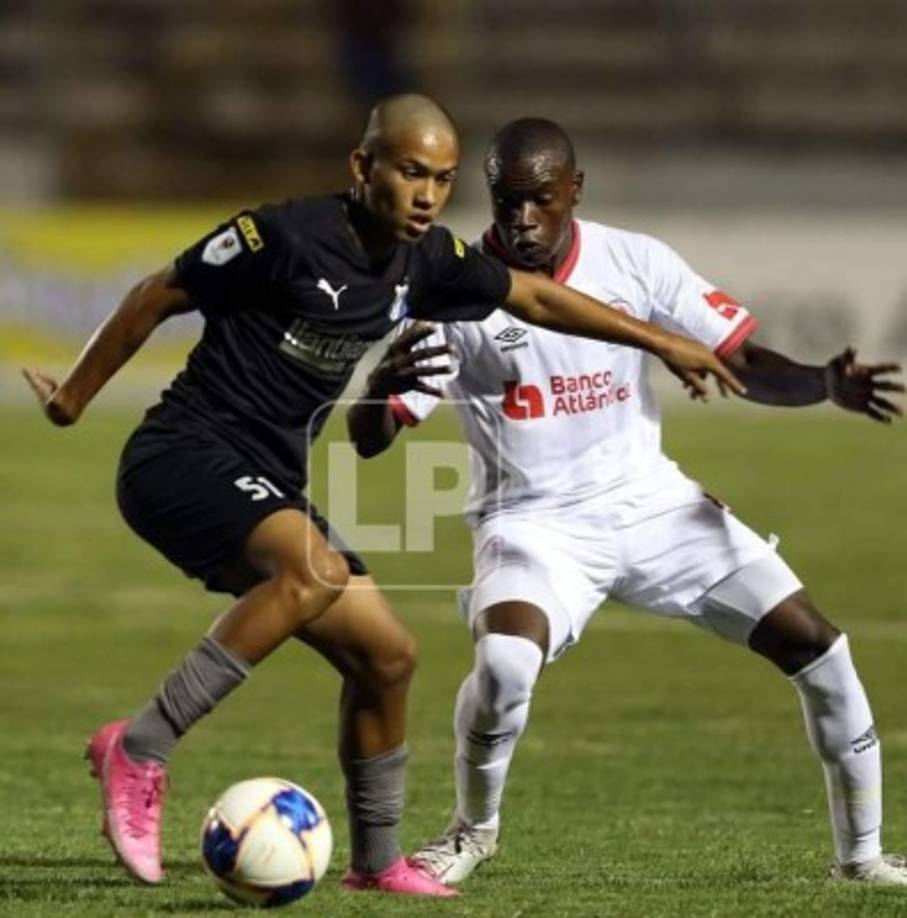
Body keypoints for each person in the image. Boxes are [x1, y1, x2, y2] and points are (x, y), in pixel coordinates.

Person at [21, 96, 739, 898]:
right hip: (182, 455)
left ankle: (375, 863)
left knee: (387, 655)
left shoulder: (427, 261)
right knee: (313, 574)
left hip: (267, 478)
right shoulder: (281, 235)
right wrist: (75, 398)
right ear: (362, 168)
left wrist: (662, 338)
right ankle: (142, 746)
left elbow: (532, 297)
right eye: (409, 173)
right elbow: (160, 291)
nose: (427, 194)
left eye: (440, 178)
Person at [347, 117, 906, 887]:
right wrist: (377, 391)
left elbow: (738, 358)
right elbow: (370, 438)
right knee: (505, 664)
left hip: (653, 509)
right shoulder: (456, 295)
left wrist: (820, 383)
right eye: (506, 202)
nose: (520, 220)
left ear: (575, 190)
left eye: (539, 200)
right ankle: (472, 831)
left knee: (821, 649)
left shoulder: (634, 261)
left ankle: (861, 857)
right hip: (532, 527)